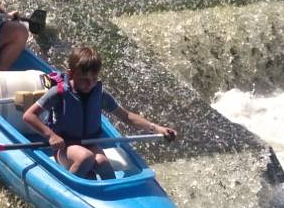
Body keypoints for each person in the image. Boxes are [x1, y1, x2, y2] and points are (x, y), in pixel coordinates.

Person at [23, 46, 177, 180]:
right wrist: (51, 135)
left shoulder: (100, 94)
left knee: (102, 162)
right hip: (65, 148)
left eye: (94, 79)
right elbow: (29, 116)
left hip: (89, 144)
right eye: (84, 79)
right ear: (71, 75)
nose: (90, 84)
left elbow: (127, 117)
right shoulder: (58, 93)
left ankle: (111, 198)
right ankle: (68, 190)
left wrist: (157, 128)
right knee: (85, 158)